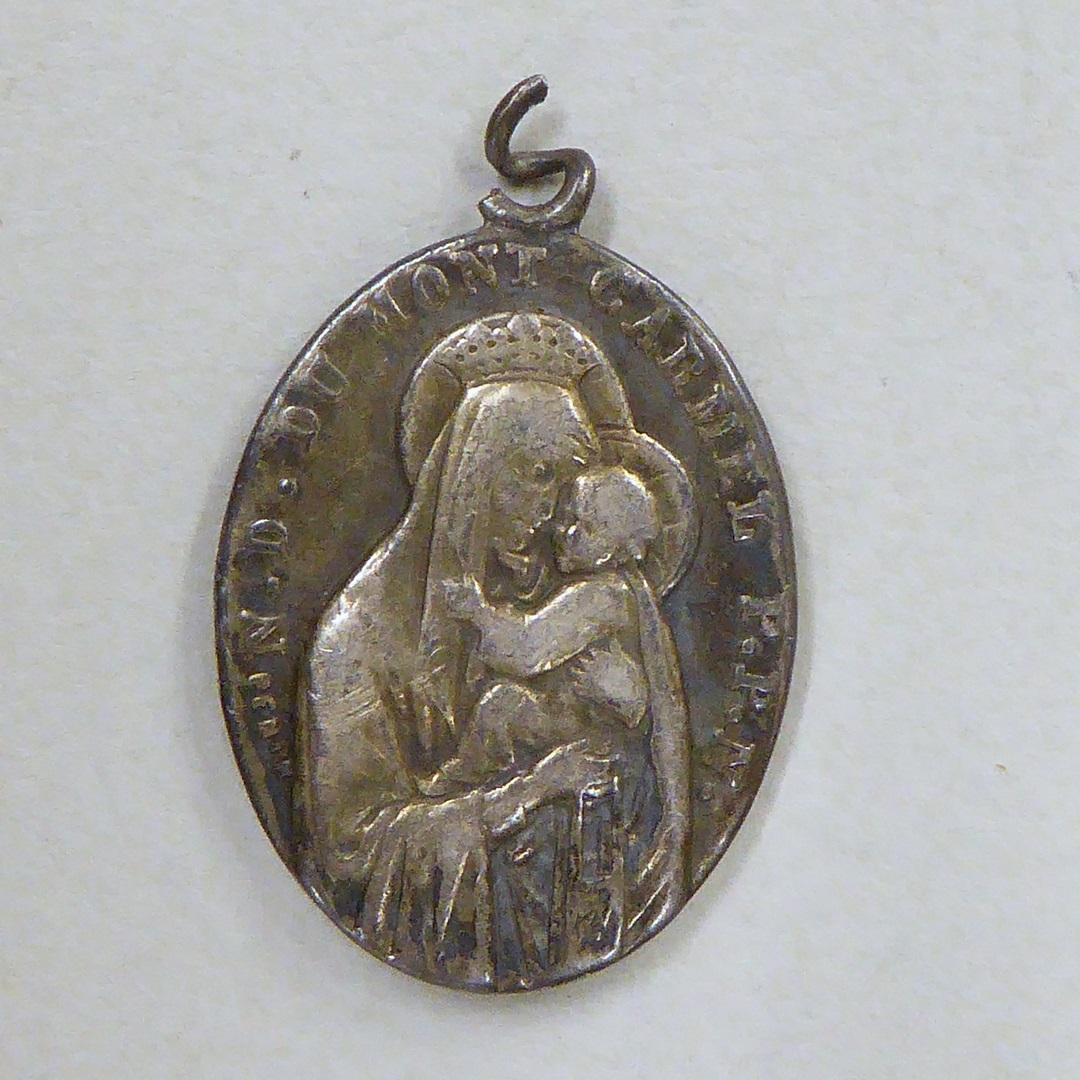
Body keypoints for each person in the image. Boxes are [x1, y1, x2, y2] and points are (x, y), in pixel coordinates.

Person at [295, 311, 696, 990]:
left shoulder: (582, 602)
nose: (554, 510)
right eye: (536, 474)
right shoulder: (356, 642)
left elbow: (645, 753)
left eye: (570, 482)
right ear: (471, 477)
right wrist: (528, 793)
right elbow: (349, 853)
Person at [423, 465, 665, 795]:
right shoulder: (611, 590)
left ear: (615, 547)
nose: (564, 531)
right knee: (506, 704)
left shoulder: (603, 596)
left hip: (587, 740)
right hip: (566, 717)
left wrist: (478, 612)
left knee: (501, 705)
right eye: (568, 517)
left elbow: (527, 651)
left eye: (585, 527)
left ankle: (455, 787)